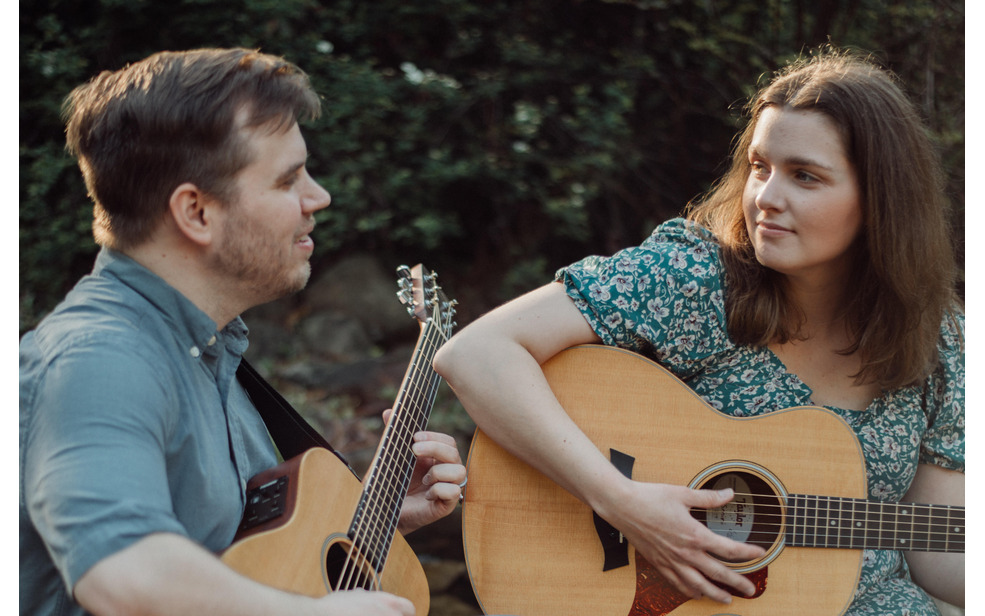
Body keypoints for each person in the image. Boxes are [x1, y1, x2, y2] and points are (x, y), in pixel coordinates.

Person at [434, 49, 964, 614]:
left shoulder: (938, 340)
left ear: (882, 200)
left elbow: (936, 545)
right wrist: (624, 504)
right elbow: (476, 353)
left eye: (804, 176)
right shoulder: (698, 280)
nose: (766, 198)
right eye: (760, 167)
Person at [20, 48, 467, 616]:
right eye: (288, 180)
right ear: (196, 212)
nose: (319, 198)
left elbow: (227, 552)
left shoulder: (211, 355)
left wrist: (376, 520)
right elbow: (123, 571)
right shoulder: (97, 359)